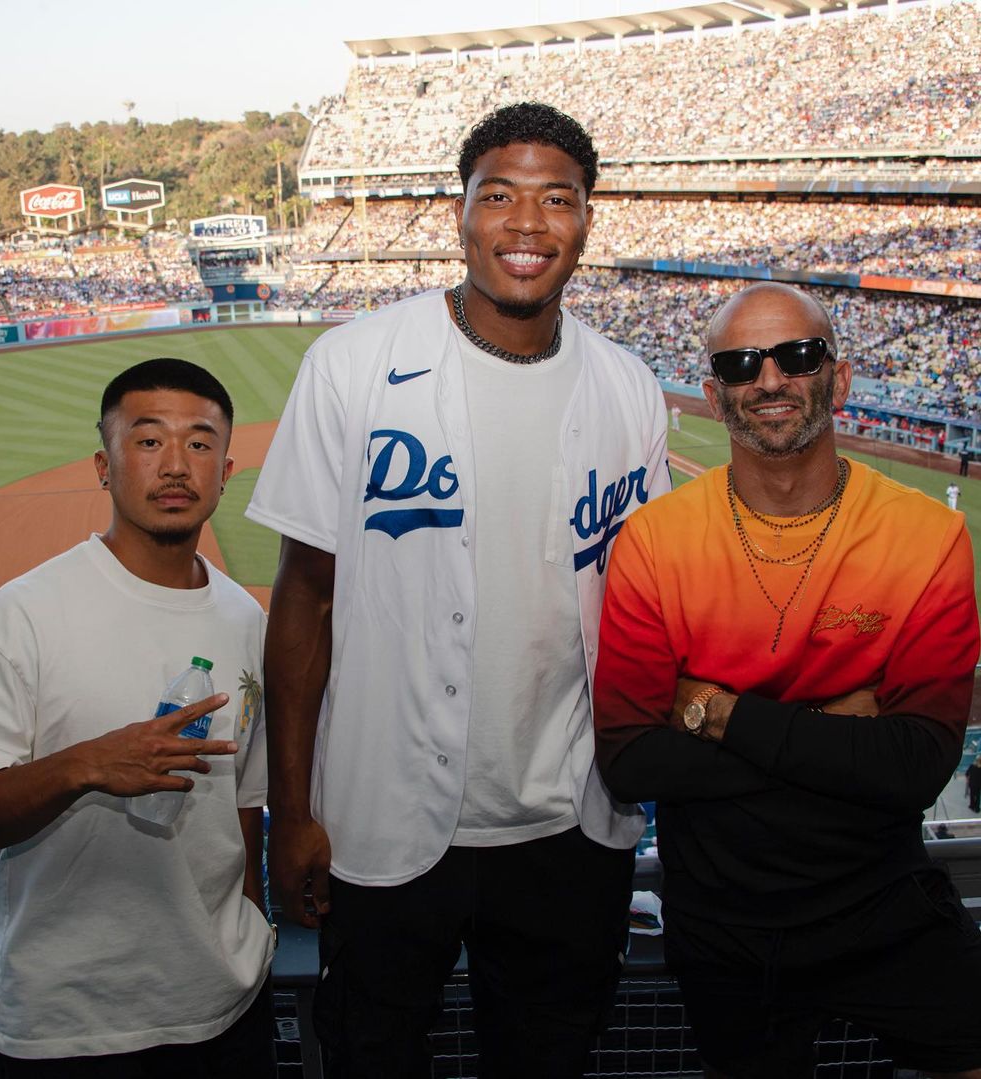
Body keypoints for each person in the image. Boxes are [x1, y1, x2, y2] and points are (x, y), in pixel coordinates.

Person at [247, 102, 670, 1078]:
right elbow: (304, 600)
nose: (527, 224)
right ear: (460, 213)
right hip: (382, 821)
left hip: (569, 822)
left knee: (548, 1058)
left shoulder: (628, 388)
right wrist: (293, 810)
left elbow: (643, 606)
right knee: (372, 1055)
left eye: (556, 198)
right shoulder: (351, 366)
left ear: (588, 221)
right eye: (501, 196)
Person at [594, 282, 981, 1079]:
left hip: (883, 902)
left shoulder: (928, 537)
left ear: (837, 379)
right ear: (713, 394)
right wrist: (836, 726)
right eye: (741, 364)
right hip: (722, 922)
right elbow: (632, 758)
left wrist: (715, 711)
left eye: (797, 356)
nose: (769, 379)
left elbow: (914, 765)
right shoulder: (654, 542)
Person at [0, 358, 275, 1075]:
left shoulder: (245, 617)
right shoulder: (16, 619)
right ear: (103, 464)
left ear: (226, 468)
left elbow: (243, 805)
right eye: (148, 441)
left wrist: (252, 937)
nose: (176, 464)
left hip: (226, 1009)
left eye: (200, 443)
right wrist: (84, 764)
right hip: (68, 1027)